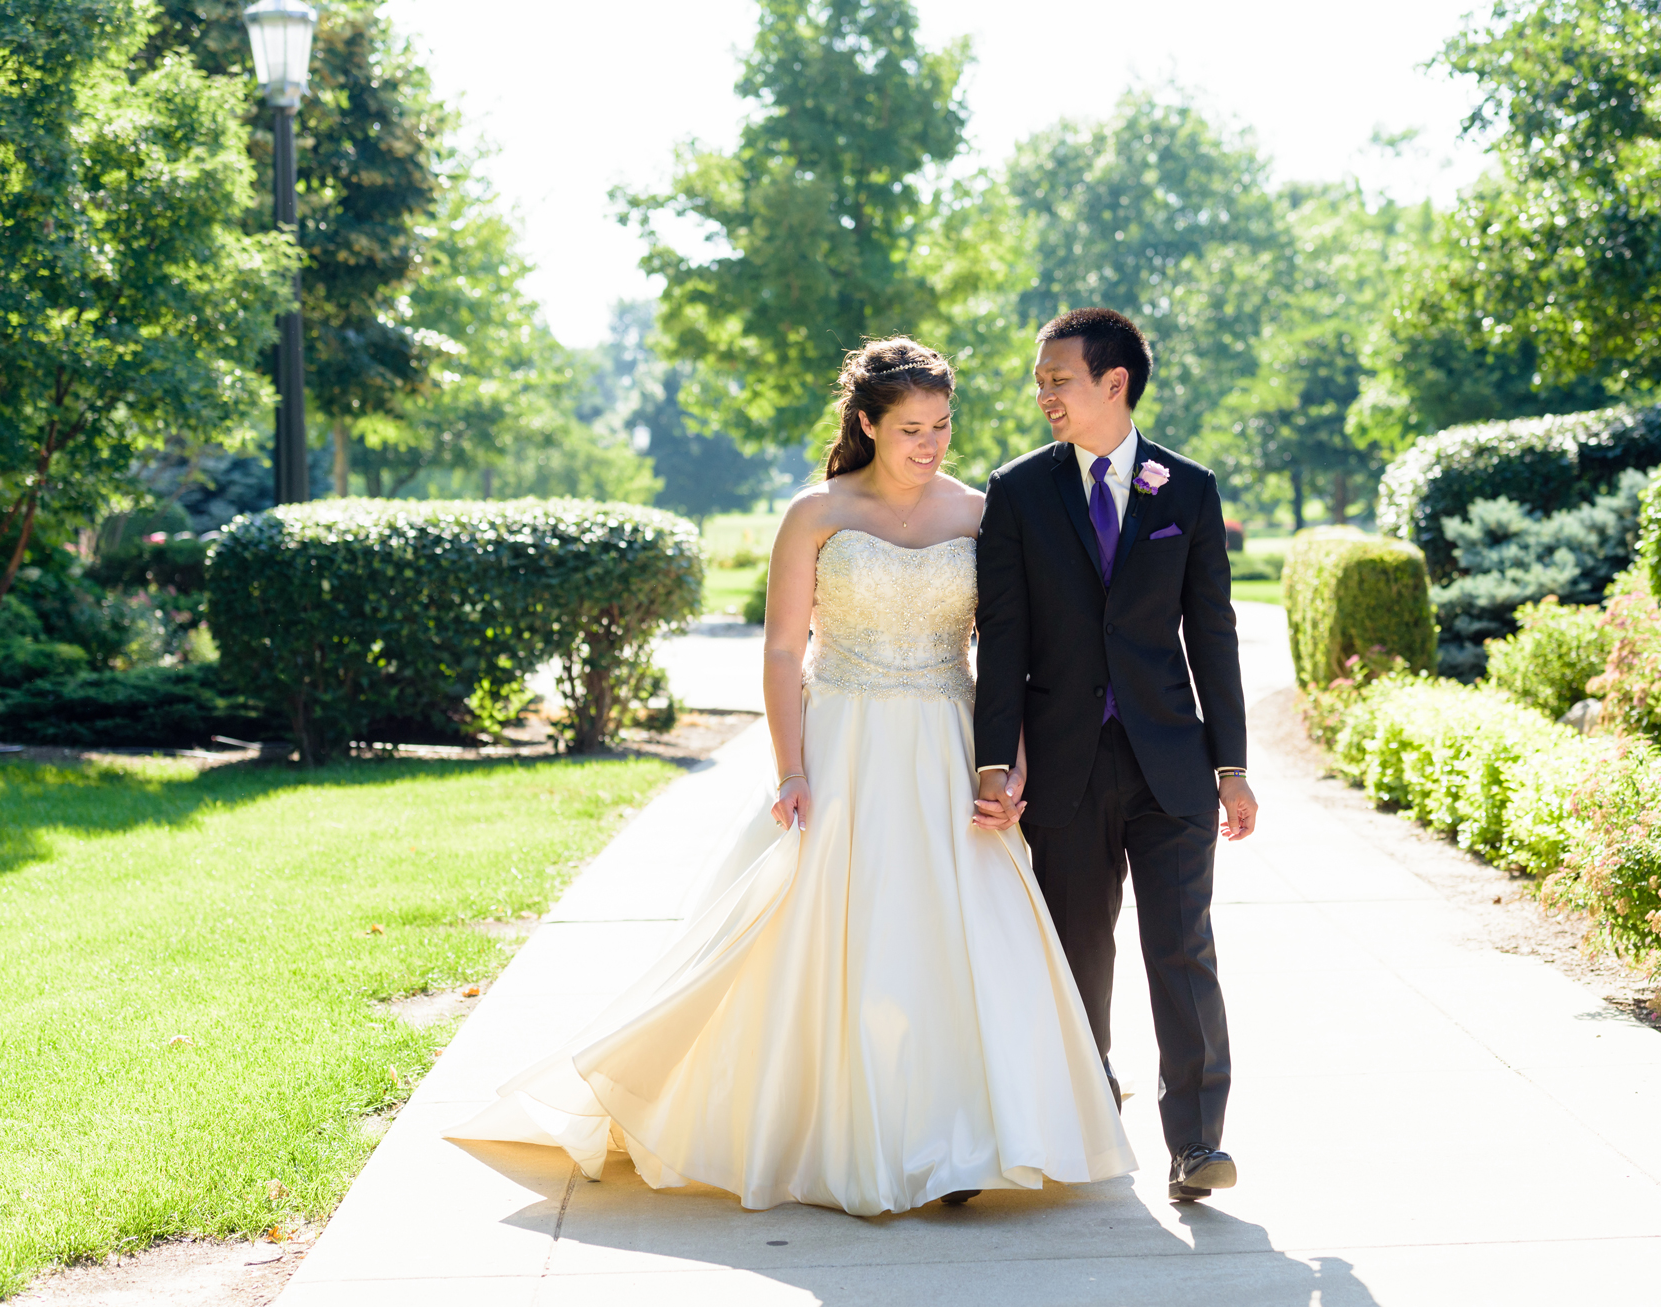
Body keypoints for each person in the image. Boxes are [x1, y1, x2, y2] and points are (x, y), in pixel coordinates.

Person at [445, 337, 1134, 1216]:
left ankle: (968, 1138)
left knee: (965, 936)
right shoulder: (815, 513)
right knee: (835, 934)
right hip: (845, 738)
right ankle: (833, 1128)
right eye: (913, 428)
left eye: (943, 426)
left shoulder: (980, 513)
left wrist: (1009, 761)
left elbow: (1009, 653)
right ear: (868, 424)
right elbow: (782, 650)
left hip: (946, 736)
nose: (931, 445)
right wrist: (791, 767)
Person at [971, 307, 1256, 1203]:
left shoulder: (1190, 489)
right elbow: (1004, 637)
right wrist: (991, 764)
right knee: (1075, 952)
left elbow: (1213, 633)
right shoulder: (1016, 492)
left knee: (1182, 950)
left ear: (1114, 383)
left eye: (1059, 378)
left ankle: (1198, 1142)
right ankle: (1086, 1106)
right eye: (1042, 379)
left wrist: (1232, 764)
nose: (1044, 392)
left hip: (1170, 759)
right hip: (1062, 766)